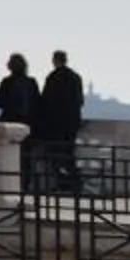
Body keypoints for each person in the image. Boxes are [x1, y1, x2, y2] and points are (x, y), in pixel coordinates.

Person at [35, 49, 87, 196]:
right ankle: (74, 183)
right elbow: (80, 101)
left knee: (55, 155)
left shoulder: (52, 77)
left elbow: (45, 101)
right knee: (68, 155)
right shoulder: (75, 77)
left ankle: (63, 183)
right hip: (71, 123)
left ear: (54, 60)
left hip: (54, 125)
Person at [0, 54, 44, 192]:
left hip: (10, 126)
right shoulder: (31, 82)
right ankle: (24, 186)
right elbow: (38, 104)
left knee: (8, 157)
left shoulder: (7, 82)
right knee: (26, 159)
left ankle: (10, 185)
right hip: (27, 127)